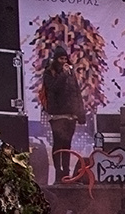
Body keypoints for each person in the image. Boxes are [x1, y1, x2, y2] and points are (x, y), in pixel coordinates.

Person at [41, 46, 85, 184]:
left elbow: (76, 93)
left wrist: (80, 113)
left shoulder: (71, 74)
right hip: (57, 116)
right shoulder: (49, 73)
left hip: (70, 116)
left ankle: (66, 174)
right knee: (58, 144)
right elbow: (53, 88)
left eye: (65, 59)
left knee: (67, 145)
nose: (64, 61)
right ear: (55, 60)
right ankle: (58, 173)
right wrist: (64, 75)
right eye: (61, 59)